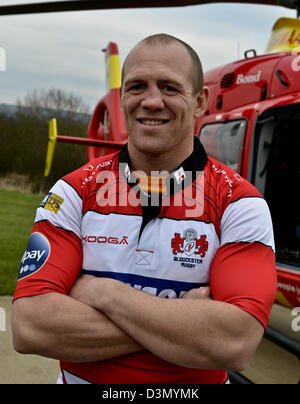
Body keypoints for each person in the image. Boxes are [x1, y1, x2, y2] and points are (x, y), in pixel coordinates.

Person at [12, 34, 277, 384]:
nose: (152, 101)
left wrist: (103, 292)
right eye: (137, 86)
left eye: (169, 88)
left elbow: (235, 343)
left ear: (200, 102)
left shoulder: (239, 203)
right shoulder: (74, 191)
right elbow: (30, 327)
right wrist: (186, 321)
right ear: (122, 98)